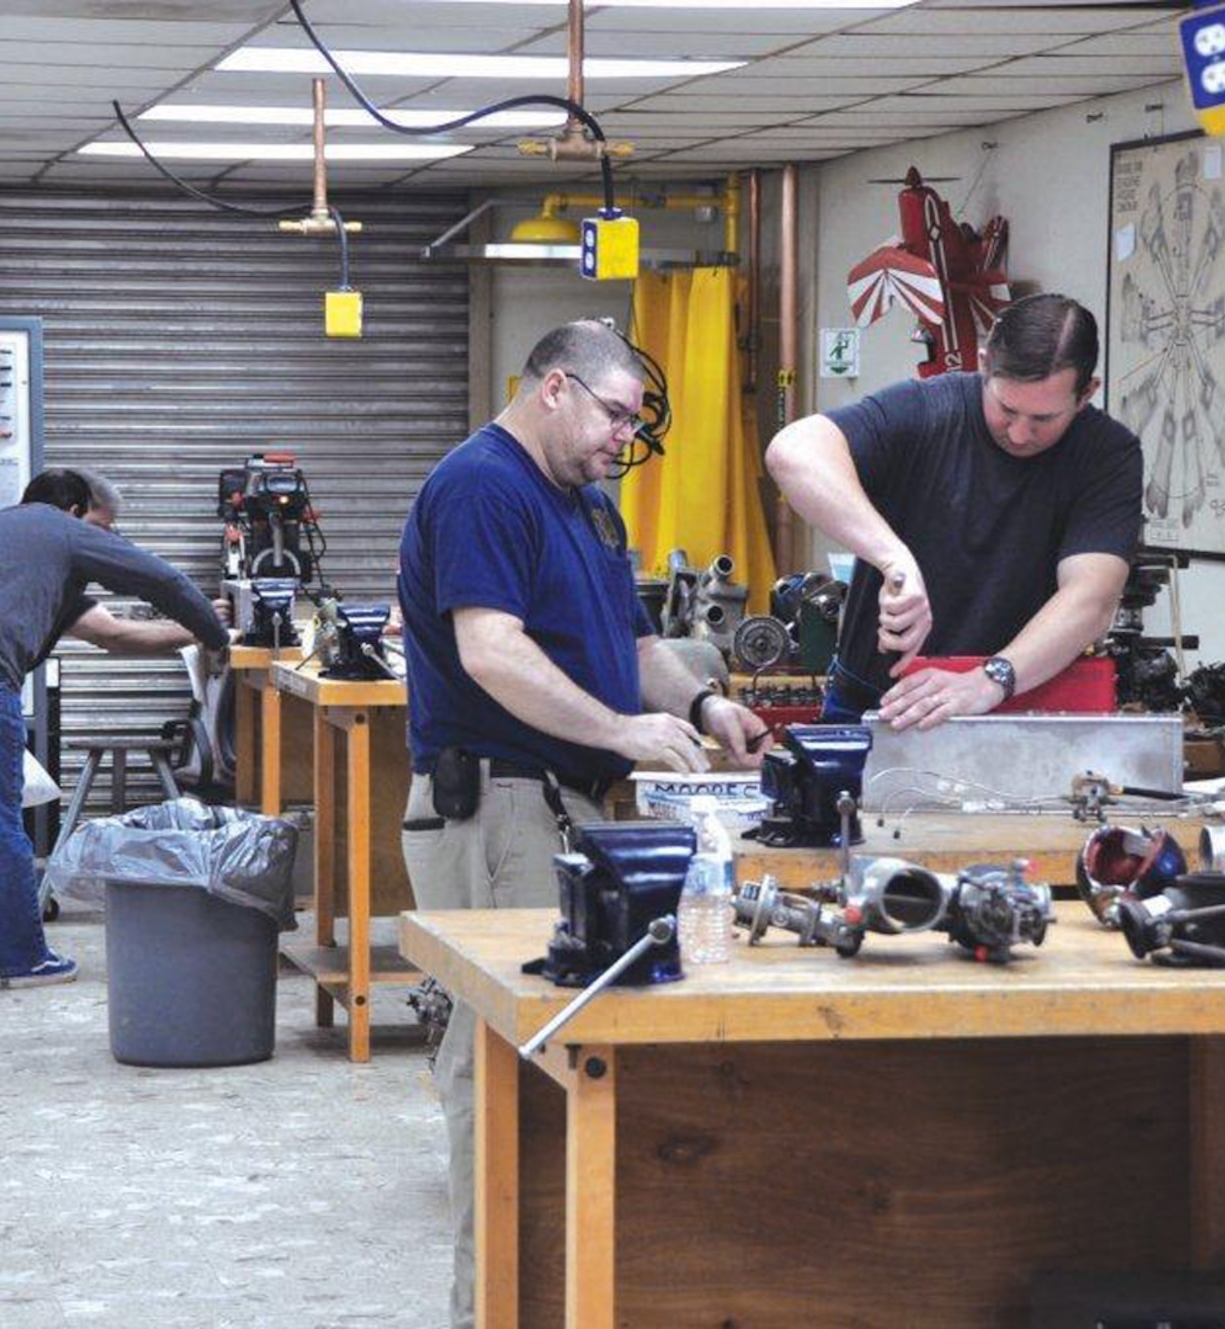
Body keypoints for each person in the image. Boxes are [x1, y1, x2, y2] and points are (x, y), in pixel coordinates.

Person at [397, 319, 771, 1328]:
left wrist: (698, 707)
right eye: (613, 415)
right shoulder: (482, 486)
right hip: (502, 804)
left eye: (634, 424)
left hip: (566, 805)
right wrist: (618, 729)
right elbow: (490, 652)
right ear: (554, 389)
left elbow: (636, 644)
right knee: (507, 1075)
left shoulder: (589, 504)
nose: (623, 439)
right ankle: (499, 1310)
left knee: (567, 1074)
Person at [0, 467, 229, 997]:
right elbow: (163, 580)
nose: (106, 542)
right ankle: (22, 960)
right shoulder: (64, 532)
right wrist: (216, 635)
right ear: (76, 513)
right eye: (104, 529)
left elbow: (113, 635)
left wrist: (191, 634)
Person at [765, 293, 1142, 732]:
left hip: (1020, 714)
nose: (1020, 434)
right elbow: (791, 452)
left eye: (1043, 419)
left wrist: (989, 681)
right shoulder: (928, 411)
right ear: (984, 364)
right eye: (1006, 408)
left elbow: (1090, 598)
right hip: (878, 708)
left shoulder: (1107, 455)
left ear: (1087, 393)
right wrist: (894, 560)